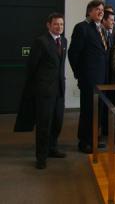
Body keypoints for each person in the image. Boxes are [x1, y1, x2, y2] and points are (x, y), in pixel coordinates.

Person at [15, 13, 67, 169]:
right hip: (44, 91)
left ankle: (52, 148)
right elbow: (31, 67)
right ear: (49, 25)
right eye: (56, 24)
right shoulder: (41, 42)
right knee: (44, 124)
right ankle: (41, 156)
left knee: (57, 122)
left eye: (62, 24)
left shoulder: (63, 41)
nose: (59, 27)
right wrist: (37, 87)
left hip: (59, 89)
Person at [68, 0, 108, 153]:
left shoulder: (101, 29)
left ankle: (94, 139)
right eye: (97, 9)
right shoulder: (82, 28)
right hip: (88, 79)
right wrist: (80, 75)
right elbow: (73, 54)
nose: (101, 12)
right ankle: (84, 142)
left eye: (102, 9)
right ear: (89, 11)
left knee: (97, 110)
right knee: (88, 111)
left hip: (101, 78)